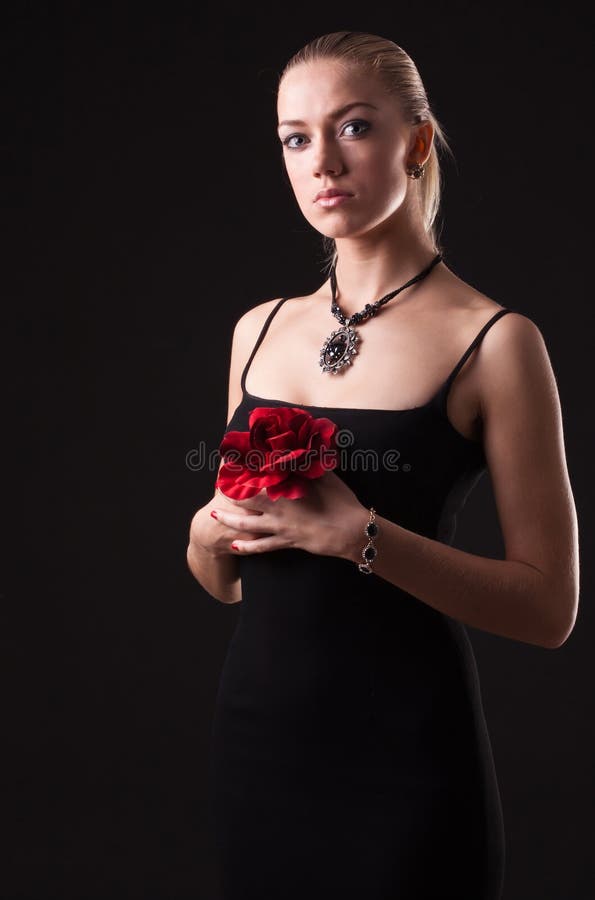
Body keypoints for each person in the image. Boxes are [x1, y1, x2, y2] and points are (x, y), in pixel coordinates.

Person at [186, 30, 579, 900]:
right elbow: (232, 584)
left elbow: (549, 607)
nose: (321, 161)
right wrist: (208, 537)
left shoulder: (496, 341)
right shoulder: (257, 330)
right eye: (295, 137)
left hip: (404, 752)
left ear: (415, 141)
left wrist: (358, 536)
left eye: (352, 127)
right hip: (259, 742)